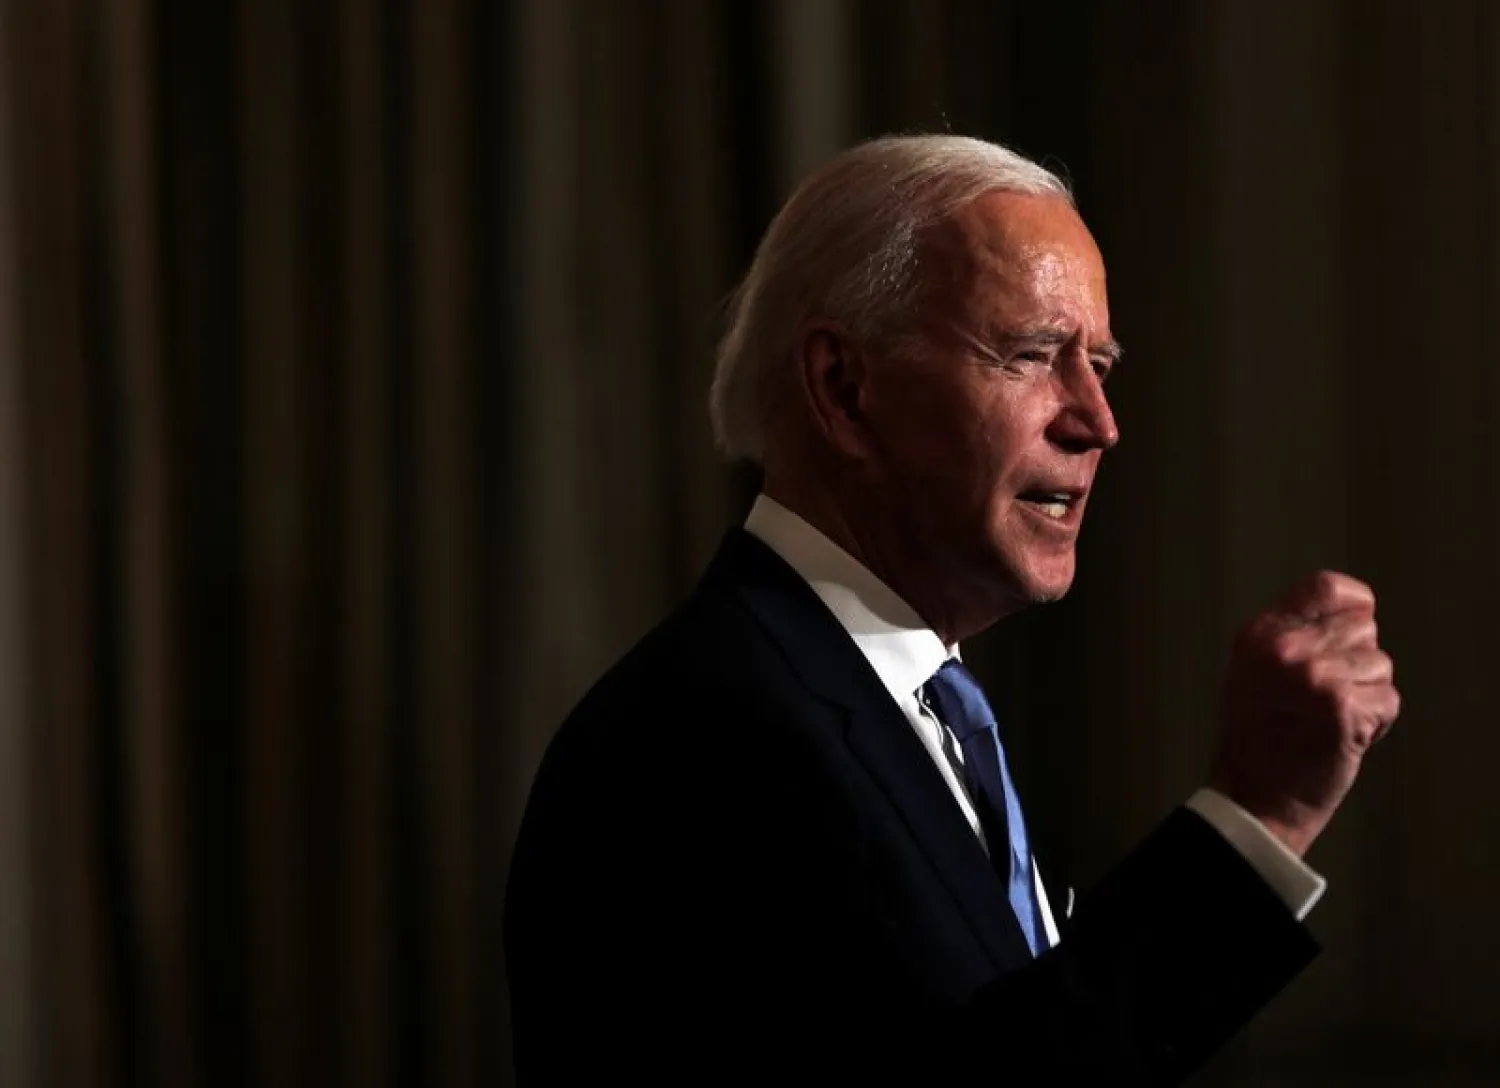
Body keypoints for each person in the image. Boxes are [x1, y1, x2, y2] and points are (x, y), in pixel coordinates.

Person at [503, 134, 1399, 1084]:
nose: (1098, 422)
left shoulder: (913, 705)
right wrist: (1257, 817)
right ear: (845, 391)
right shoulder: (705, 731)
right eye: (1031, 355)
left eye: (1099, 362)